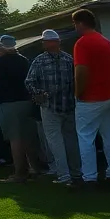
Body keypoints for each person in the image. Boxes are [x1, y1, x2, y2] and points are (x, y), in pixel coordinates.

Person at [71, 9, 110, 189]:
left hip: (91, 98)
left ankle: (89, 178)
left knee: (85, 137)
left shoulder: (82, 44)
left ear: (80, 23)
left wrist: (78, 93)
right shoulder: (106, 42)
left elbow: (81, 71)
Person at [0, 37, 42, 184]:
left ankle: (20, 173)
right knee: (29, 138)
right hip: (27, 100)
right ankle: (35, 169)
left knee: (15, 139)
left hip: (9, 102)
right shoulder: (23, 59)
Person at [26, 30, 81, 186]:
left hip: (49, 106)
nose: (43, 43)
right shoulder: (69, 59)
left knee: (55, 141)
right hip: (69, 105)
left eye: (45, 41)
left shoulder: (39, 60)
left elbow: (29, 82)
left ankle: (63, 175)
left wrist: (39, 94)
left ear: (49, 43)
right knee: (71, 140)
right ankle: (76, 172)